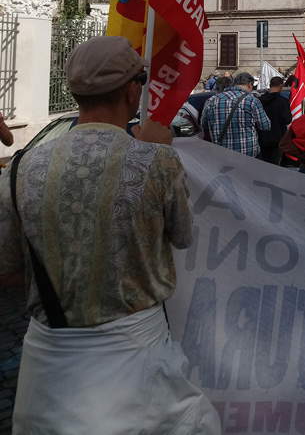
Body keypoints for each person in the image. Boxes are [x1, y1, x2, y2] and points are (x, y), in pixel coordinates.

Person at [0, 36, 219, 433]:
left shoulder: (19, 168)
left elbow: (9, 269)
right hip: (137, 360)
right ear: (131, 90)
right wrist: (157, 153)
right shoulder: (156, 160)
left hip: (47, 368)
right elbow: (183, 236)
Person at [200, 71, 271, 157]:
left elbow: (204, 125)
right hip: (247, 154)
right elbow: (266, 126)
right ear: (250, 85)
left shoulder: (212, 100)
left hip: (221, 153)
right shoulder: (252, 100)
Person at [258, 76, 292, 165]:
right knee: (275, 164)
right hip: (277, 137)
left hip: (262, 136)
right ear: (281, 86)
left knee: (262, 163)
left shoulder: (259, 100)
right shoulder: (283, 101)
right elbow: (287, 119)